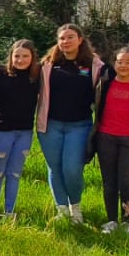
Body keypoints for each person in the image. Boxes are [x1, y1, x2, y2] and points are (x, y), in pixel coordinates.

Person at [87, 46, 129, 234]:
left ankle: (126, 221)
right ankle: (111, 221)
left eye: (128, 62)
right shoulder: (105, 82)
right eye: (119, 61)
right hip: (106, 138)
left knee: (128, 182)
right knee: (109, 182)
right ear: (114, 64)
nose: (123, 65)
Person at [35, 24, 99, 223]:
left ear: (80, 39)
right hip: (50, 126)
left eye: (70, 37)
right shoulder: (48, 65)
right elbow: (15, 71)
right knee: (55, 168)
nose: (66, 41)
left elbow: (124, 73)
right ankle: (62, 210)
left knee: (72, 169)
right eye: (62, 38)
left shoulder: (94, 65)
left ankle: (76, 208)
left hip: (79, 126)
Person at [0, 38, 41, 224]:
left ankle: (10, 211)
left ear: (32, 57)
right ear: (11, 56)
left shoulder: (37, 75)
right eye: (17, 56)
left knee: (15, 173)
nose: (20, 60)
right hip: (1, 129)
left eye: (25, 56)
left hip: (24, 132)